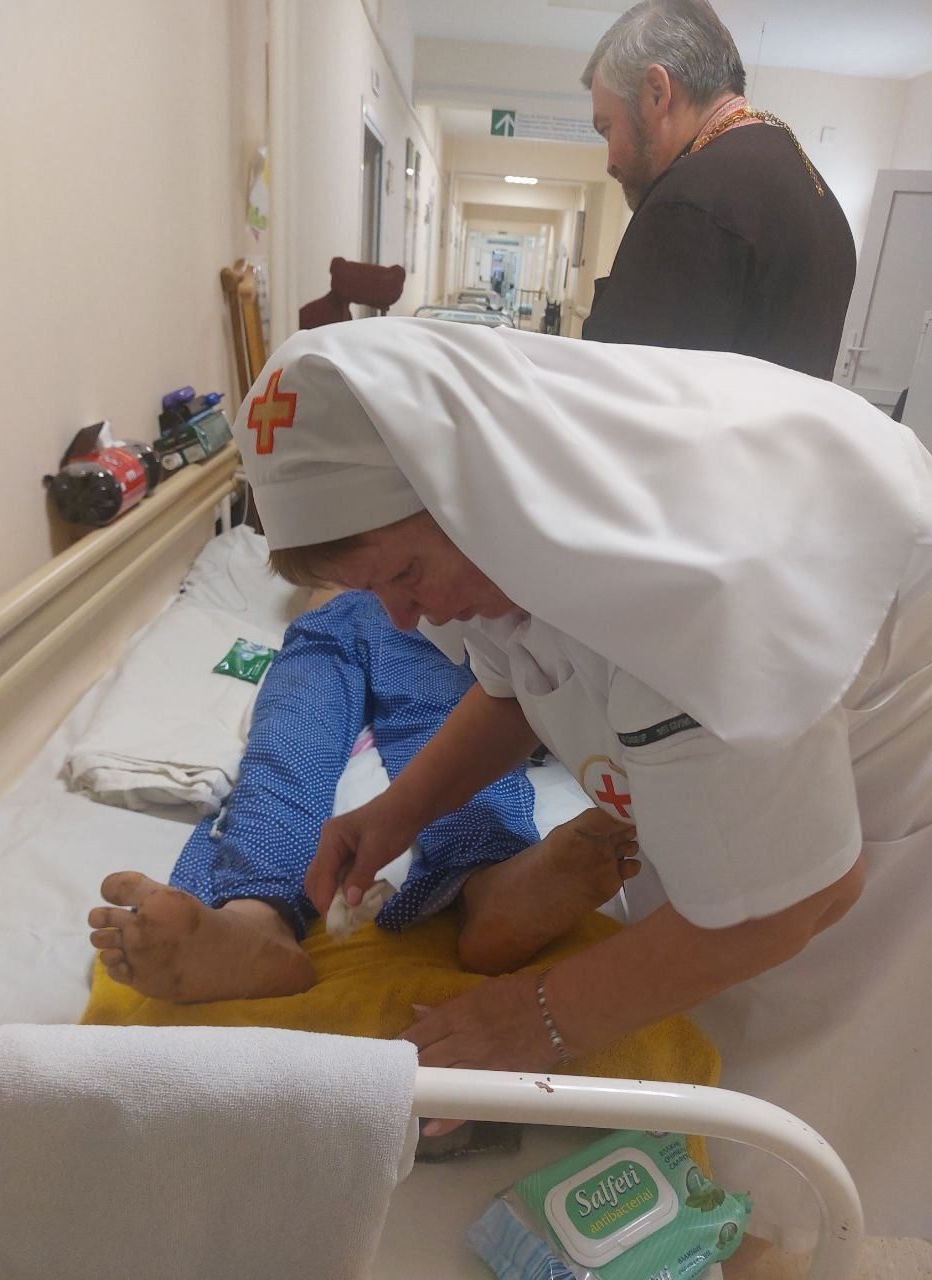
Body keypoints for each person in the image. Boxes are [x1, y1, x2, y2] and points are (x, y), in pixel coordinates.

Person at [229, 316, 932, 1245]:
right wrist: (398, 810)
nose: (401, 620)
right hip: (744, 773)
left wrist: (535, 1020)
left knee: (810, 1137)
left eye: (404, 575)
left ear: (473, 496)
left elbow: (800, 899)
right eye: (375, 592)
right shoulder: (499, 531)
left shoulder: (691, 586)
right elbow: (521, 680)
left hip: (893, 785)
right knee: (698, 1001)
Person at [87, 587, 639, 1004]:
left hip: (426, 631)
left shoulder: (430, 590)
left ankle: (485, 882)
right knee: (296, 745)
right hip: (331, 628)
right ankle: (253, 922)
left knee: (427, 745)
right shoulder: (332, 578)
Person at [580, 0, 856, 379]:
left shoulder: (688, 204)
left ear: (657, 93)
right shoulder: (812, 189)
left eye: (607, 129)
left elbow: (619, 389)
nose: (610, 162)